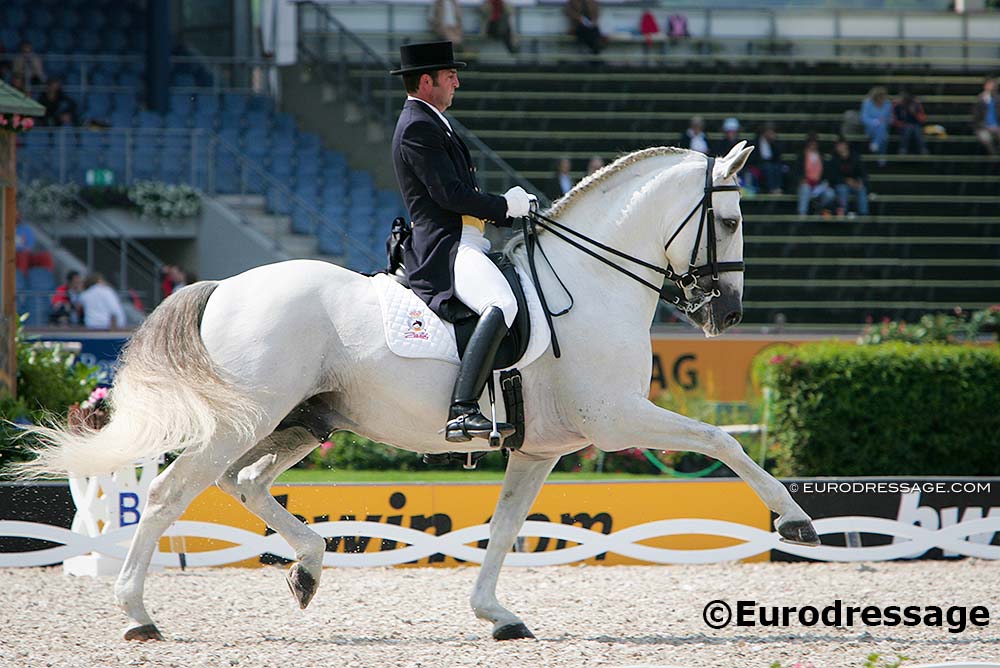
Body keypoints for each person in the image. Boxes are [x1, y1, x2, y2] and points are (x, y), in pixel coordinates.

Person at [389, 41, 535, 443]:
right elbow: (449, 195)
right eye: (449, 75)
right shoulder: (418, 125)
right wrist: (505, 206)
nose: (457, 81)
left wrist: (508, 211)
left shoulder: (434, 121)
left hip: (467, 238)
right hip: (447, 245)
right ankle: (463, 409)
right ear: (425, 80)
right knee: (501, 303)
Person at [826, 138, 870, 217]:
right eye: (838, 145)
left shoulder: (855, 157)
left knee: (861, 188)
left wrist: (860, 181)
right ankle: (844, 213)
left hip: (854, 183)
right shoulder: (833, 159)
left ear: (846, 145)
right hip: (840, 184)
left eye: (841, 145)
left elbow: (864, 173)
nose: (839, 147)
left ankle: (864, 214)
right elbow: (832, 177)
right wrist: (846, 180)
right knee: (842, 189)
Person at [795, 135, 834, 216]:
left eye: (814, 143)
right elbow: (796, 172)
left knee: (830, 193)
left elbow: (826, 173)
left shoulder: (821, 156)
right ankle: (802, 215)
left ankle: (817, 208)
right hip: (805, 184)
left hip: (818, 185)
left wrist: (825, 183)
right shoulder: (801, 156)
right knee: (805, 188)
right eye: (811, 143)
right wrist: (801, 179)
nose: (813, 145)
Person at [749, 122, 786, 193]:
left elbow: (777, 156)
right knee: (768, 168)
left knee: (777, 167)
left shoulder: (774, 144)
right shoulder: (756, 142)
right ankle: (772, 189)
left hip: (771, 163)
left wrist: (773, 143)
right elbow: (753, 157)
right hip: (759, 164)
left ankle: (778, 187)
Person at [861, 86, 893, 165]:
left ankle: (876, 144)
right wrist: (875, 122)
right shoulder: (867, 103)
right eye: (880, 98)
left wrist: (886, 120)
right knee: (883, 132)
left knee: (882, 129)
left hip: (884, 128)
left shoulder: (888, 104)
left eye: (883, 98)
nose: (882, 100)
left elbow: (891, 118)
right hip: (870, 128)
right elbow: (864, 118)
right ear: (874, 98)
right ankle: (881, 154)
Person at [892, 90, 928, 155]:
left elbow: (922, 119)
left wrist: (914, 113)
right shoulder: (896, 105)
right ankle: (903, 150)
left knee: (915, 129)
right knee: (909, 128)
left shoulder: (916, 105)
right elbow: (893, 119)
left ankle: (923, 150)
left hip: (915, 127)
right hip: (901, 127)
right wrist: (901, 124)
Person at [972, 76, 1000, 156]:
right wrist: (986, 126)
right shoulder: (979, 99)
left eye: (993, 85)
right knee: (986, 138)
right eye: (989, 85)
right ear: (985, 86)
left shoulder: (998, 99)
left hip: (997, 126)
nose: (991, 87)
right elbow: (976, 118)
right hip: (983, 127)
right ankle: (994, 155)